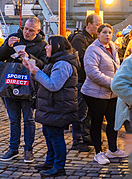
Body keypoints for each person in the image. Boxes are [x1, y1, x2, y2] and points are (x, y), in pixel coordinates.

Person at [24, 36, 79, 178]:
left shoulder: (63, 64)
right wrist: (32, 70)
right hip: (52, 106)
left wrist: (37, 72)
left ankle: (59, 166)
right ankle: (50, 162)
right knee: (49, 135)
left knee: (56, 137)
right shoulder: (55, 61)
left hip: (58, 107)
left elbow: (53, 85)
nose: (46, 47)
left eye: (49, 45)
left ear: (57, 47)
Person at [0, 16, 47, 162]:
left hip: (29, 86)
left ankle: (28, 149)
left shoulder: (42, 45)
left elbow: (44, 64)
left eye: (31, 31)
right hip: (10, 84)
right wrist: (7, 46)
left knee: (29, 119)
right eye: (25, 29)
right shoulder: (14, 37)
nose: (27, 33)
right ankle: (13, 148)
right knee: (13, 120)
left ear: (38, 31)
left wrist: (29, 57)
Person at [80, 23, 122, 165]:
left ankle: (113, 149)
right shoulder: (92, 49)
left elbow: (117, 68)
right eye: (104, 32)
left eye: (110, 32)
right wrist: (112, 83)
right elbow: (92, 72)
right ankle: (98, 152)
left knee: (113, 121)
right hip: (95, 93)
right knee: (97, 122)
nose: (108, 35)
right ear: (98, 34)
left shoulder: (114, 47)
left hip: (112, 93)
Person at [68, 13, 100, 152]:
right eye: (97, 24)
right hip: (81, 80)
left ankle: (86, 136)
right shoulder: (79, 39)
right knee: (80, 112)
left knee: (88, 112)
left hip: (89, 80)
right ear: (88, 25)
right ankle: (77, 140)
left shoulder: (91, 39)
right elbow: (83, 59)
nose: (98, 27)